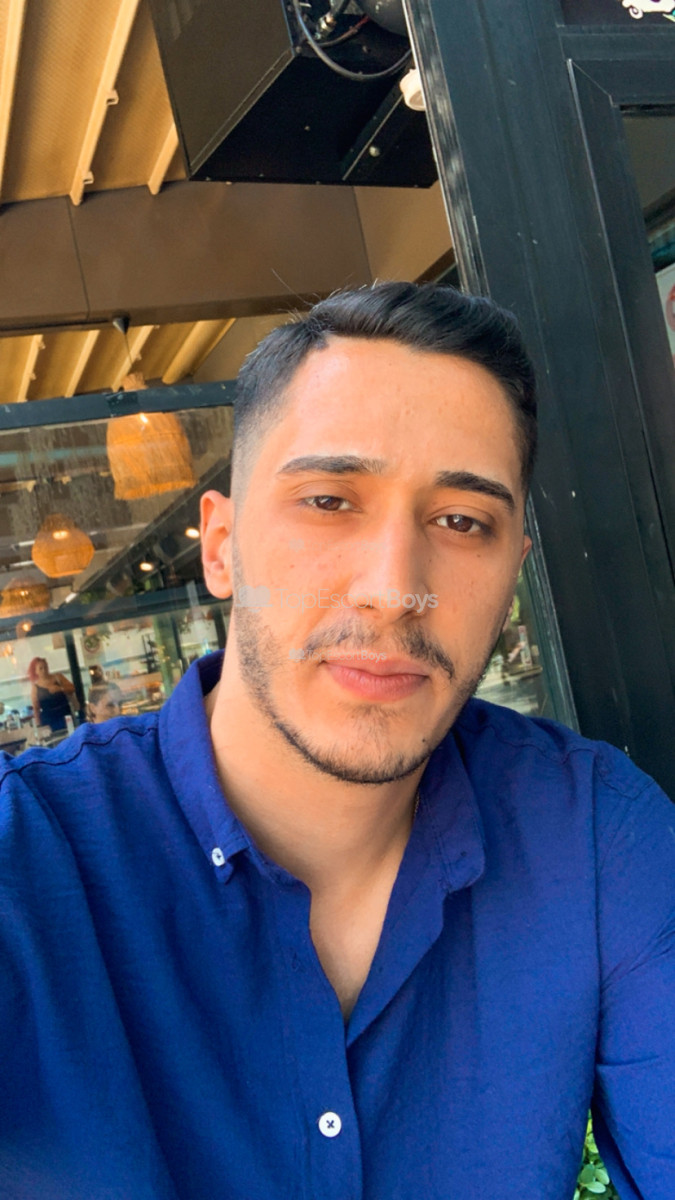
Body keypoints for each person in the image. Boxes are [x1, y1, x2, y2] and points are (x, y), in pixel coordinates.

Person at [0, 283, 673, 1200]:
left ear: (513, 569)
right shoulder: (31, 860)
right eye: (328, 500)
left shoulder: (594, 836)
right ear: (221, 546)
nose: (392, 589)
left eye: (461, 521)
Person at [27, 655, 75, 733]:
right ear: (36, 671)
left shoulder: (58, 677)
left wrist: (60, 689)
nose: (44, 670)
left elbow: (72, 688)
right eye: (41, 668)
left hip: (64, 713)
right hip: (49, 718)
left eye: (45, 667)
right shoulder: (35, 688)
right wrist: (38, 725)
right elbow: (36, 708)